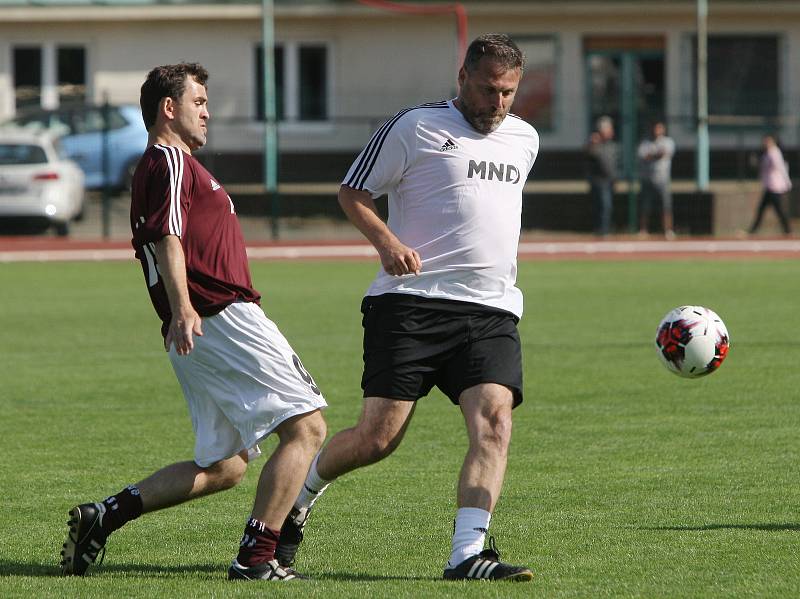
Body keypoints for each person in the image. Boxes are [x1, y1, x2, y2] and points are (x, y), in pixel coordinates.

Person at [273, 34, 537, 582]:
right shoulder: (414, 126)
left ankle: (467, 554)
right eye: (489, 89)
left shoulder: (524, 139)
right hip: (411, 305)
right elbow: (352, 192)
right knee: (378, 439)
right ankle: (299, 497)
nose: (498, 103)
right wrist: (388, 244)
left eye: (509, 92)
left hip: (490, 311)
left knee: (494, 422)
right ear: (462, 76)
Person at [59, 62, 327, 581]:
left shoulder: (161, 166)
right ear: (169, 108)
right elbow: (169, 237)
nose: (207, 113)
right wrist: (184, 306)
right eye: (199, 102)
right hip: (219, 316)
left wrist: (181, 312)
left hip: (197, 326)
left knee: (225, 467)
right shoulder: (170, 161)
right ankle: (256, 559)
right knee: (307, 427)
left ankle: (104, 516)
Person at [748, 133, 793, 235]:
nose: (765, 143)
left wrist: (787, 182)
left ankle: (788, 230)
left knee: (778, 210)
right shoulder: (768, 153)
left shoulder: (774, 153)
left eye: (767, 141)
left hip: (775, 186)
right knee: (762, 209)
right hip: (769, 186)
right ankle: (753, 230)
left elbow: (781, 167)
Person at [637, 121, 676, 239]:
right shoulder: (645, 143)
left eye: (659, 128)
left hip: (663, 179)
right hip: (647, 179)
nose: (657, 131)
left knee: (666, 205)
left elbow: (664, 154)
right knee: (645, 206)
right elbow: (644, 156)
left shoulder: (668, 142)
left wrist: (653, 154)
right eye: (655, 128)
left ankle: (668, 230)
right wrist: (655, 154)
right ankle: (643, 230)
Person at [585, 116, 617, 236]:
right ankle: (601, 230)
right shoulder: (595, 143)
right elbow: (588, 154)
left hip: (609, 180)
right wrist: (592, 144)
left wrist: (614, 178)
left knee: (607, 206)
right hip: (598, 180)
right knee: (602, 206)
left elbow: (612, 164)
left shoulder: (611, 145)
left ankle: (605, 229)